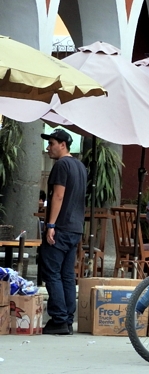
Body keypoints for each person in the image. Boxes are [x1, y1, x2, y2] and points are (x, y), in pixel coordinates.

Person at [40, 129, 87, 335]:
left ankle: (58, 318)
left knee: (52, 272)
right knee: (67, 274)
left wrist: (50, 225)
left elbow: (58, 196)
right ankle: (67, 318)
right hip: (75, 227)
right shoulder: (80, 166)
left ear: (63, 145)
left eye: (51, 143)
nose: (48, 147)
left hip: (60, 227)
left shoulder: (61, 165)